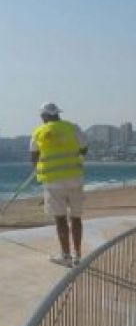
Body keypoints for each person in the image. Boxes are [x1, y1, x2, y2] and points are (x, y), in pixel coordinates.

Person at [30, 103, 87, 267]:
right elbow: (83, 149)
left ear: (44, 116)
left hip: (53, 183)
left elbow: (34, 157)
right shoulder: (73, 128)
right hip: (75, 179)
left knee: (60, 220)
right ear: (58, 114)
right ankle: (77, 255)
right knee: (76, 218)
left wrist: (39, 168)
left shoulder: (38, 132)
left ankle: (66, 255)